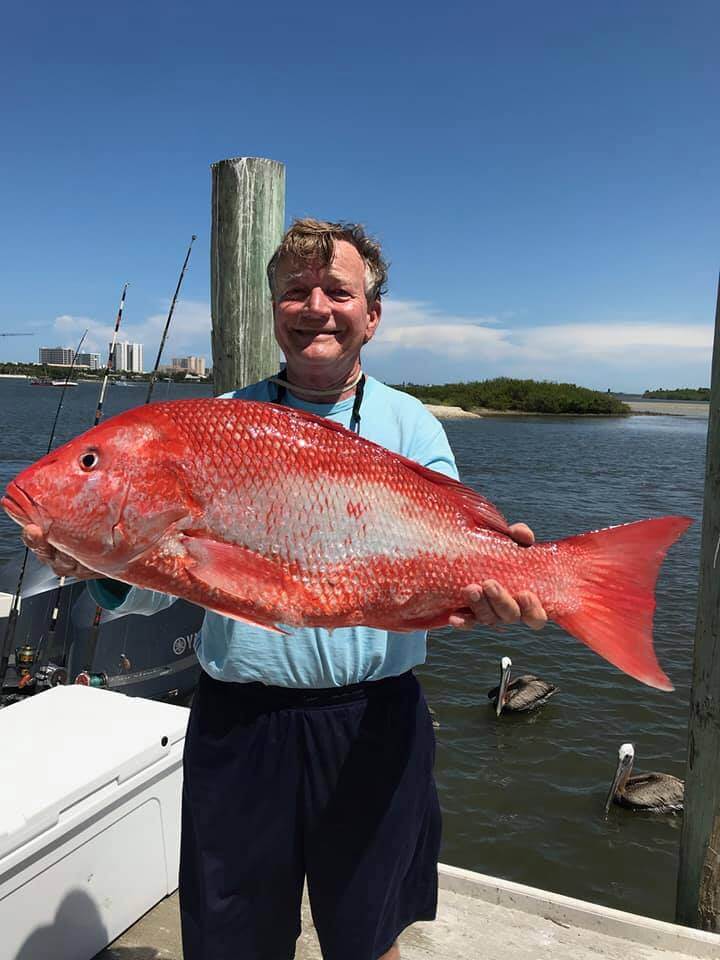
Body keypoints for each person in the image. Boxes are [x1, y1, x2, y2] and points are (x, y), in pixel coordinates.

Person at [22, 219, 547, 960]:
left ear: (372, 314)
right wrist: (94, 567)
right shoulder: (220, 419)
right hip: (241, 724)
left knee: (368, 935)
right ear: (274, 311)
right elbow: (168, 579)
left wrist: (499, 582)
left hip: (372, 723)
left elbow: (456, 556)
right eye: (295, 292)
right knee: (233, 936)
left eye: (338, 291)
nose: (316, 307)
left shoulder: (412, 426)